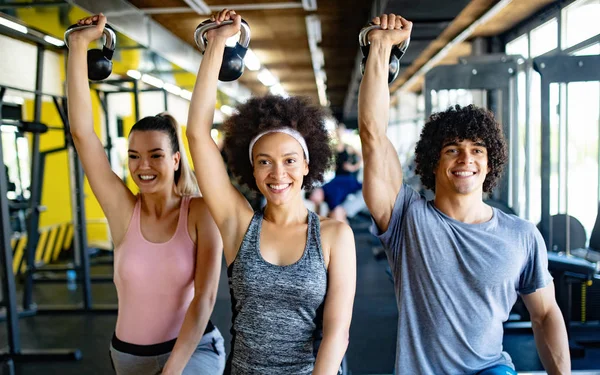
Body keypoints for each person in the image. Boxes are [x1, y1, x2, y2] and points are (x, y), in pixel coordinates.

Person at [358, 13, 570, 375]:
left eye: (477, 150)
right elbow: (373, 134)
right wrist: (379, 47)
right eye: (452, 149)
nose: (465, 159)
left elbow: (545, 312)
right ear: (433, 161)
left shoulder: (521, 235)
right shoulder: (407, 217)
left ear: (490, 164)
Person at [186, 9, 356, 375]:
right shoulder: (238, 226)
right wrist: (216, 45)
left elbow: (337, 333)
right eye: (265, 162)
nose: (278, 173)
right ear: (252, 168)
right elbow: (197, 134)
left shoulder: (334, 235)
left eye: (290, 160)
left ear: (309, 164)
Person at [66, 14, 225, 375]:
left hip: (192, 351)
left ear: (176, 159)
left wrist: (173, 369)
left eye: (155, 155)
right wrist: (77, 46)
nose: (144, 166)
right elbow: (83, 136)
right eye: (134, 156)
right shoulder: (123, 211)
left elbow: (205, 297)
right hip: (128, 356)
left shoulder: (199, 212)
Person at [308, 124, 364, 223]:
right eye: (337, 132)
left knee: (337, 209)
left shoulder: (348, 147)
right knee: (336, 205)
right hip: (338, 176)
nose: (339, 134)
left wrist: (352, 167)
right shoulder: (333, 148)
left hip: (347, 176)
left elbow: (361, 157)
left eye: (340, 132)